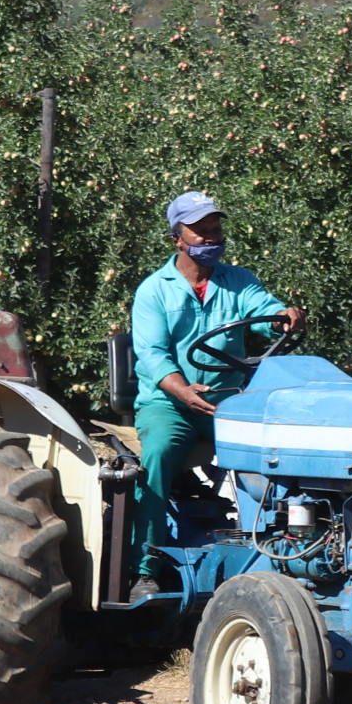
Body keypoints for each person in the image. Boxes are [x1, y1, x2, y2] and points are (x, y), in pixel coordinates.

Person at [127, 191, 301, 594]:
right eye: (200, 232)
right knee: (157, 454)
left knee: (276, 451)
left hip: (229, 402)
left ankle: (278, 551)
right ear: (177, 238)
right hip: (170, 404)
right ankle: (146, 567)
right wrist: (183, 391)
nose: (210, 238)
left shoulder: (239, 281)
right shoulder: (154, 290)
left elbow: (264, 311)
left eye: (215, 230)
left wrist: (283, 318)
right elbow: (152, 355)